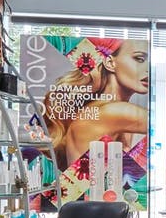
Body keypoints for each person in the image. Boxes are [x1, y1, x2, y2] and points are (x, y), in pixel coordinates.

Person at [44, 39, 149, 171]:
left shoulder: (102, 112)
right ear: (110, 63)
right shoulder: (110, 112)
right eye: (139, 59)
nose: (148, 69)